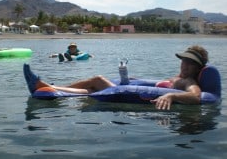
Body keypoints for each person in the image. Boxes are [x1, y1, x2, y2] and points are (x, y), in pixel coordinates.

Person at [25, 45, 209, 110]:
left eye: (190, 63)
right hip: (132, 89)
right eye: (184, 61)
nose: (185, 65)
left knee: (97, 79)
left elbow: (195, 96)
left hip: (135, 97)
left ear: (198, 67)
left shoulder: (189, 81)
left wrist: (171, 96)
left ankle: (48, 85)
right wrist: (131, 78)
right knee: (90, 90)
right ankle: (51, 89)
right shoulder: (178, 76)